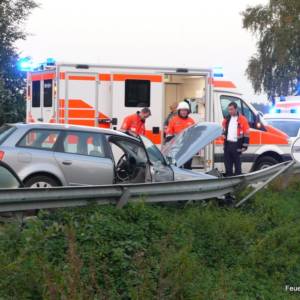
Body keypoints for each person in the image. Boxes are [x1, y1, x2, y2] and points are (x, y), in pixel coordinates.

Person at [222, 102, 250, 176]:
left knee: (238, 168)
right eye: (229, 110)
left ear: (236, 109)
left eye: (231, 109)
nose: (230, 111)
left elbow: (247, 133)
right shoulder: (227, 118)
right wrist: (223, 134)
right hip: (227, 145)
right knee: (228, 167)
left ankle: (238, 185)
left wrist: (244, 146)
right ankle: (229, 182)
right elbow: (223, 128)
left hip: (237, 146)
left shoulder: (243, 119)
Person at [165, 101, 195, 169]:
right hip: (176, 147)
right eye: (182, 110)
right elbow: (169, 134)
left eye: (185, 110)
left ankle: (188, 178)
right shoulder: (173, 120)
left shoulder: (191, 121)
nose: (184, 112)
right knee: (177, 165)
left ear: (188, 111)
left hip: (187, 147)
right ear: (179, 111)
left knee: (188, 165)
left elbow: (194, 134)